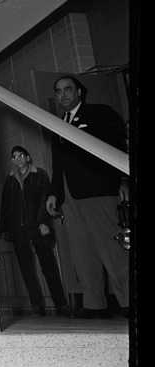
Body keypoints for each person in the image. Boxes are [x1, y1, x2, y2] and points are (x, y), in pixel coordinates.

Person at [45, 75, 130, 319]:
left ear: (79, 92)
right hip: (70, 196)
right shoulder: (58, 125)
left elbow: (119, 147)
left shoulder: (100, 113)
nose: (63, 95)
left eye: (68, 90)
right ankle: (95, 304)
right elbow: (57, 164)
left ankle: (127, 301)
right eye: (59, 91)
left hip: (99, 191)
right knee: (83, 253)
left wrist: (124, 178)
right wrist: (53, 193)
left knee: (113, 248)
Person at [0, 145, 70, 316]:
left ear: (28, 157)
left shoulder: (40, 175)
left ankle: (61, 305)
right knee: (27, 271)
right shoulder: (9, 180)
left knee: (49, 269)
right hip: (18, 231)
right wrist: (4, 228)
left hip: (38, 228)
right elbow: (5, 206)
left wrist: (44, 222)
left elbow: (45, 197)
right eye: (14, 157)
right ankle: (37, 306)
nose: (18, 159)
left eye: (21, 155)